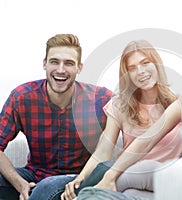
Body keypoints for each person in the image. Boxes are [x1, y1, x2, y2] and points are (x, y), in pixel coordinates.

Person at [76, 32, 182, 199]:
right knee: (128, 191)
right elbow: (146, 140)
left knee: (129, 176)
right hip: (180, 182)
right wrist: (110, 176)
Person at [60, 40, 182, 200]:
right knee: (115, 182)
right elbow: (103, 150)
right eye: (132, 68)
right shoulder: (120, 105)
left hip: (160, 180)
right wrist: (80, 178)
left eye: (145, 63)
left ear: (157, 64)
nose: (140, 71)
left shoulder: (179, 104)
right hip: (124, 176)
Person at [0, 34, 112, 200]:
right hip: (34, 175)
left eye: (68, 63)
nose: (60, 70)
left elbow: (133, 114)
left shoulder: (100, 99)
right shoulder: (22, 97)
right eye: (54, 62)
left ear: (79, 68)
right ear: (45, 64)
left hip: (79, 179)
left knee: (47, 187)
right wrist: (20, 183)